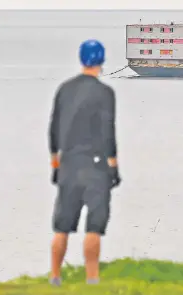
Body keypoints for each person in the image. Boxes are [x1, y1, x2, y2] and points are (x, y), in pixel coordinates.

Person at [48, 39, 121, 286]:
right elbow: (107, 132)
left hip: (68, 164)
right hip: (96, 166)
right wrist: (113, 166)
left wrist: (55, 165)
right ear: (101, 61)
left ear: (81, 59)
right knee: (94, 226)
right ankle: (92, 279)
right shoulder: (105, 93)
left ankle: (55, 276)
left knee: (61, 226)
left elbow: (53, 131)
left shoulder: (64, 89)